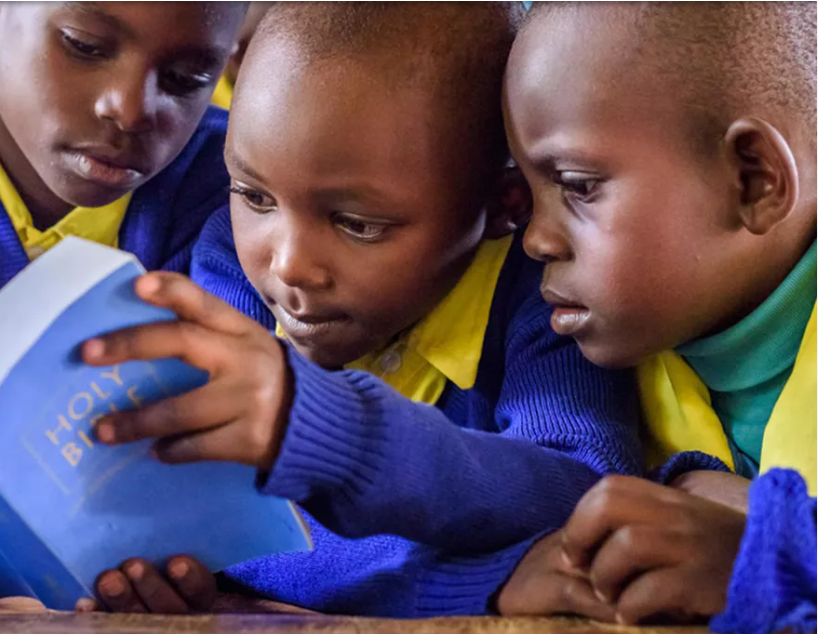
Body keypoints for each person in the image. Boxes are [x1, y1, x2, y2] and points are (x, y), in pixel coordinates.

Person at [78, 3, 646, 617]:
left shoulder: (547, 297)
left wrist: (332, 435)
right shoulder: (227, 264)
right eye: (254, 195)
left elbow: (584, 500)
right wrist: (486, 579)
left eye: (357, 224)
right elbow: (203, 528)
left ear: (503, 204)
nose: (289, 264)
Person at [0, 0, 246, 596]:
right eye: (85, 46)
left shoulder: (240, 200)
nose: (130, 108)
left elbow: (237, 490)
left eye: (185, 79)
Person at [498, 3, 816, 632]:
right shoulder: (618, 350)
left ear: (753, 180)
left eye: (578, 184)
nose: (535, 240)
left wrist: (772, 557)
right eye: (525, 194)